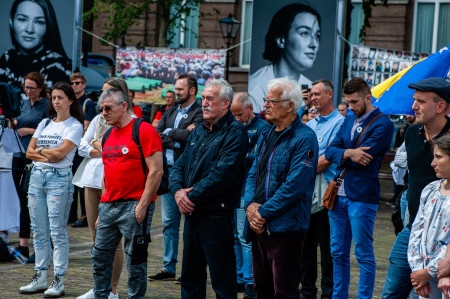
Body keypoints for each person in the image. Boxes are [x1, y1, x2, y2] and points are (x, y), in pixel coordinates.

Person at [170, 79, 248, 298]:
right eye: (203, 98)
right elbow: (179, 166)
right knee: (190, 279)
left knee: (222, 281)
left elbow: (222, 175)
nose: (204, 103)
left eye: (209, 99)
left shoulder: (235, 132)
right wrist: (177, 192)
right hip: (192, 214)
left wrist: (189, 196)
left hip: (216, 215)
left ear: (225, 103)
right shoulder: (199, 131)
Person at [244, 77, 318, 298]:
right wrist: (249, 206)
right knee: (262, 288)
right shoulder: (266, 133)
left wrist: (263, 212)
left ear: (290, 106)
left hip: (286, 228)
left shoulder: (305, 138)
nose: (265, 105)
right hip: (259, 226)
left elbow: (294, 185)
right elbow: (252, 173)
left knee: (284, 291)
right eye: (266, 100)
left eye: (271, 101)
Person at [325, 78, 394, 299]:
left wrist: (343, 154)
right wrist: (348, 153)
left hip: (362, 196)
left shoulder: (383, 124)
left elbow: (364, 159)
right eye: (347, 102)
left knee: (363, 253)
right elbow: (329, 152)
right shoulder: (347, 120)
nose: (350, 107)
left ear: (367, 98)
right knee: (337, 253)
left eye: (354, 102)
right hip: (338, 194)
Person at [91, 88, 163, 298]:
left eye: (108, 108)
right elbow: (107, 172)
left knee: (136, 261)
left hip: (134, 204)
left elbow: (156, 171)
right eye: (101, 109)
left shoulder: (144, 130)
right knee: (100, 257)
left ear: (124, 106)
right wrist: (103, 206)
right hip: (109, 206)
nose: (103, 113)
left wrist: (142, 205)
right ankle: (101, 295)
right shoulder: (107, 136)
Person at [382, 77, 450, 299]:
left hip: (444, 236)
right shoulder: (411, 134)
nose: (413, 106)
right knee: (391, 291)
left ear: (440, 106)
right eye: (414, 100)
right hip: (413, 228)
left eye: (420, 101)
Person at [19, 81, 83, 297]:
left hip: (59, 179)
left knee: (57, 231)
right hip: (36, 177)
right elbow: (29, 152)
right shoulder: (45, 122)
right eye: (54, 98)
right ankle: (40, 276)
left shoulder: (74, 125)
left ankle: (59, 280)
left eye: (61, 98)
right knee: (38, 230)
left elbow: (60, 155)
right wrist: (49, 152)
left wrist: (43, 151)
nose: (56, 102)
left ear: (70, 100)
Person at [75, 77, 131, 299]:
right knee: (95, 237)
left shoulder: (131, 120)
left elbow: (123, 149)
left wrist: (100, 146)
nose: (103, 98)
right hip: (91, 178)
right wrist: (104, 148)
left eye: (108, 93)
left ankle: (113, 289)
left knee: (114, 240)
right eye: (102, 93)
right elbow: (81, 147)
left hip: (114, 182)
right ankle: (99, 285)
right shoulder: (98, 118)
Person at [148, 74, 203, 282]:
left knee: (191, 225)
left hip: (189, 177)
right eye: (176, 88)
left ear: (192, 91)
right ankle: (168, 267)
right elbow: (156, 134)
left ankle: (190, 269)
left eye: (180, 89)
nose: (176, 92)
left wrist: (170, 135)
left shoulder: (199, 112)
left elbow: (194, 138)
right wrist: (176, 137)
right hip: (168, 174)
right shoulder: (170, 110)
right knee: (169, 222)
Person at [302, 79, 344, 299]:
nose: (313, 98)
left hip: (329, 196)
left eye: (318, 94)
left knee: (328, 250)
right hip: (308, 194)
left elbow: (328, 158)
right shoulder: (310, 125)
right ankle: (307, 291)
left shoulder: (340, 123)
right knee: (305, 248)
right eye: (311, 95)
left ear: (330, 94)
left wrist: (302, 170)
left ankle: (328, 293)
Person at [230, 91, 269, 299]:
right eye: (234, 115)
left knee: (245, 237)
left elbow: (263, 157)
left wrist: (243, 155)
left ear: (250, 109)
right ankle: (237, 277)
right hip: (233, 188)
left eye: (240, 115)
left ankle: (249, 281)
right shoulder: (235, 127)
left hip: (249, 189)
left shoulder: (263, 128)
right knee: (234, 236)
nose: (237, 119)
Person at [248, 3, 321, 113]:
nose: (314, 44)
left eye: (317, 35)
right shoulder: (255, 88)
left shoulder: (313, 89)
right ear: (281, 40)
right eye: (305, 33)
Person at [10, 72, 50, 262]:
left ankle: (42, 244)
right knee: (21, 199)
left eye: (32, 88)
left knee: (33, 199)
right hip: (18, 152)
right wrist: (13, 123)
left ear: (40, 88)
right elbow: (19, 120)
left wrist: (31, 131)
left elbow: (51, 130)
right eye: (26, 87)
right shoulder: (24, 103)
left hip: (35, 155)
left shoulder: (46, 106)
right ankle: (23, 244)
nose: (28, 91)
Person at [407, 134, 450, 299]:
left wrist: (429, 271)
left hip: (443, 271)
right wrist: (417, 268)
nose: (433, 163)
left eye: (439, 157)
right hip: (423, 271)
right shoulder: (430, 189)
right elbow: (417, 230)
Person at [0, 0, 72, 88]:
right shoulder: (6, 59)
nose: (29, 29)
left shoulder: (59, 67)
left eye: (39, 22)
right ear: (11, 21)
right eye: (22, 19)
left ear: (48, 26)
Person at [69, 72, 96, 228]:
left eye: (77, 83)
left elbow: (87, 126)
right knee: (71, 181)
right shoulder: (71, 101)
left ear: (84, 84)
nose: (74, 85)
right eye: (72, 83)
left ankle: (84, 215)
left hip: (80, 146)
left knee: (80, 183)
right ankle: (71, 215)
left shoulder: (88, 103)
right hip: (70, 146)